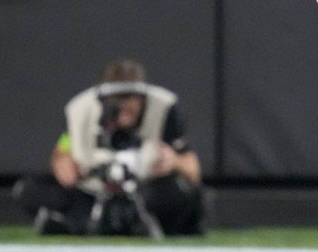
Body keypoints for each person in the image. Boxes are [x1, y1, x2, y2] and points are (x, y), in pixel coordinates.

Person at [12, 58, 204, 237]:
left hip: (143, 193)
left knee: (183, 192)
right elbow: (62, 151)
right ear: (102, 98)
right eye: (117, 98)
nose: (124, 104)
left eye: (130, 96)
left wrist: (175, 162)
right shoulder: (79, 111)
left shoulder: (165, 109)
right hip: (92, 192)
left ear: (143, 95)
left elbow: (193, 170)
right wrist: (62, 165)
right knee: (28, 190)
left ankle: (79, 224)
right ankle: (96, 221)